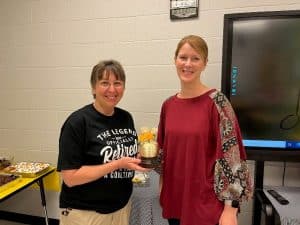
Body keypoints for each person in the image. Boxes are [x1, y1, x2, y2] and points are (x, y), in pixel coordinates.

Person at [156, 35, 253, 225]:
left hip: (207, 207)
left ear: (205, 63)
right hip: (175, 203)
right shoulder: (168, 105)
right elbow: (163, 153)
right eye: (183, 57)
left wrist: (230, 210)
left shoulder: (218, 103)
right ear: (175, 60)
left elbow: (233, 158)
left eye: (195, 58)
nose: (188, 64)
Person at [57, 59, 149, 225]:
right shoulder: (77, 122)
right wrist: (117, 164)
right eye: (105, 83)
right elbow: (70, 177)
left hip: (121, 208)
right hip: (85, 214)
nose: (112, 89)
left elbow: (125, 154)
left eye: (118, 83)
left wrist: (144, 159)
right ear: (93, 87)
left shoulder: (125, 117)